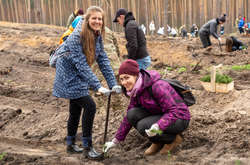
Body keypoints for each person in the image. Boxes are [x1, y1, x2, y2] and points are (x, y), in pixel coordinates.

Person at [52, 6, 121, 160]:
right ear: (87, 20)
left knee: (75, 110)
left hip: (78, 75)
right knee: (90, 106)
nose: (97, 21)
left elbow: (102, 59)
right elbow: (81, 64)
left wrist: (112, 84)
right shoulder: (77, 37)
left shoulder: (97, 35)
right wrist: (98, 86)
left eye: (100, 19)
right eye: (94, 18)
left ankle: (70, 144)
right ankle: (87, 148)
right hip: (68, 75)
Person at [104, 59, 190, 156]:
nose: (124, 82)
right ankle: (158, 141)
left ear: (136, 75)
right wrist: (115, 140)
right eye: (121, 79)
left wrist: (158, 125)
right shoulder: (136, 90)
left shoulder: (157, 86)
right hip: (161, 114)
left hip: (179, 117)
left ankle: (173, 140)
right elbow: (128, 118)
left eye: (127, 78)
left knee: (143, 126)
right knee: (132, 114)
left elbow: (173, 111)